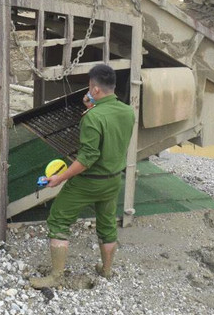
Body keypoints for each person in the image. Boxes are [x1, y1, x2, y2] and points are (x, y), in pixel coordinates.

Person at [30, 64, 135, 288]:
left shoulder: (92, 118)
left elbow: (87, 158)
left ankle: (56, 276)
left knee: (58, 220)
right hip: (114, 179)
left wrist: (60, 178)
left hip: (89, 182)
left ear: (95, 89)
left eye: (90, 87)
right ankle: (106, 271)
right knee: (107, 225)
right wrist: (92, 106)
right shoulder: (127, 112)